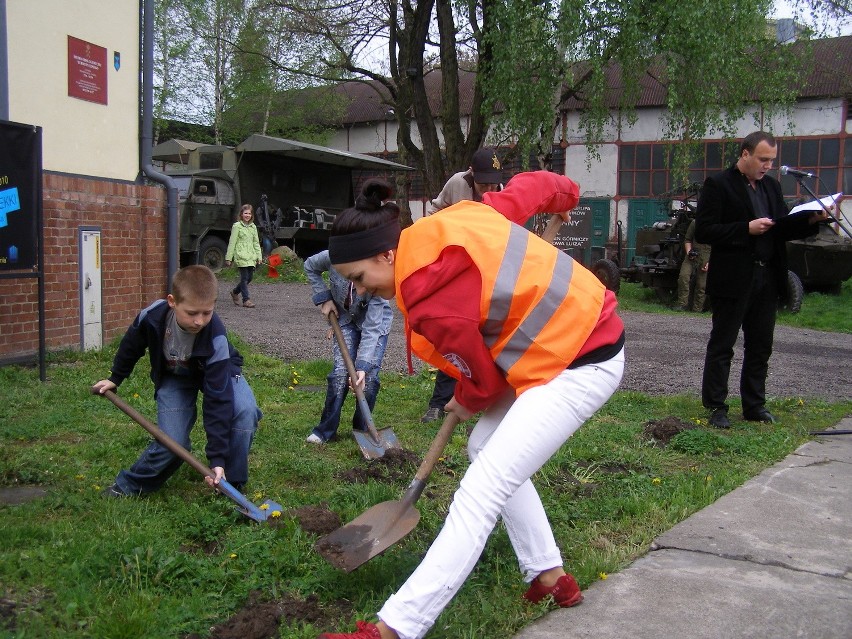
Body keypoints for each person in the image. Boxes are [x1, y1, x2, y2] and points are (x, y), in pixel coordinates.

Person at [318, 173, 625, 639]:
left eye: (359, 279)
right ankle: (550, 577)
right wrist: (567, 195)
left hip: (583, 361)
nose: (358, 291)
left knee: (480, 490)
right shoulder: (453, 222)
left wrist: (463, 400)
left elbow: (483, 380)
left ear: (388, 254)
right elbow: (528, 191)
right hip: (560, 348)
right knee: (484, 446)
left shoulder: (431, 301)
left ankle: (394, 628)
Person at [694, 131, 828, 429]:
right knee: (723, 344)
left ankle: (754, 405)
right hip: (734, 277)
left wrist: (810, 221)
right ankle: (717, 406)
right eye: (763, 159)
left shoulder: (771, 187)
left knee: (760, 345)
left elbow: (780, 228)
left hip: (767, 276)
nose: (768, 165)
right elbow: (704, 231)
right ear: (745, 154)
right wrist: (746, 228)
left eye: (771, 160)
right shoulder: (719, 185)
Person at [94, 265, 261, 496]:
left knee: (244, 411)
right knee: (172, 442)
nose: (200, 321)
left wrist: (217, 458)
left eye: (207, 313)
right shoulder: (152, 316)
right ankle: (129, 486)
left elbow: (218, 400)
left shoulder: (216, 338)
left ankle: (229, 484)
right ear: (172, 301)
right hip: (176, 377)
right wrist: (116, 377)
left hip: (218, 370)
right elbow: (131, 345)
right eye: (192, 313)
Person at [420, 147, 504, 423]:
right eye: (484, 184)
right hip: (456, 263)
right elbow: (434, 212)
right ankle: (438, 403)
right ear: (471, 172)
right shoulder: (458, 183)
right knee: (457, 333)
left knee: (486, 338)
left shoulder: (499, 189)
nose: (488, 188)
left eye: (493, 182)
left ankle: (486, 401)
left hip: (486, 267)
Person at [303, 249, 393, 444]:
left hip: (374, 324)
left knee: (367, 379)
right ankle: (325, 430)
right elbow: (310, 266)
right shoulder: (334, 255)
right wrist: (324, 298)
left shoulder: (376, 275)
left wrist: (362, 366)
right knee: (340, 374)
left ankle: (363, 430)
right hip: (343, 319)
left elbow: (372, 328)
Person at [225, 203, 263, 308]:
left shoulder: (253, 227)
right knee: (244, 277)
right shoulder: (237, 226)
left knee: (249, 278)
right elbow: (232, 242)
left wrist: (259, 256)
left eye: (249, 213)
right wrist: (229, 257)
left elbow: (256, 242)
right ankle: (246, 300)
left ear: (252, 215)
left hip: (251, 256)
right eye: (245, 213)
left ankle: (235, 292)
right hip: (241, 256)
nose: (247, 215)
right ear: (241, 214)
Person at [676, 219, 711, 311]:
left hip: (707, 255)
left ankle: (697, 308)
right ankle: (682, 304)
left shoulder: (716, 225)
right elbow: (688, 240)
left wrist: (710, 262)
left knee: (702, 284)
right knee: (683, 277)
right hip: (693, 253)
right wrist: (689, 252)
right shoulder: (695, 222)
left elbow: (718, 247)